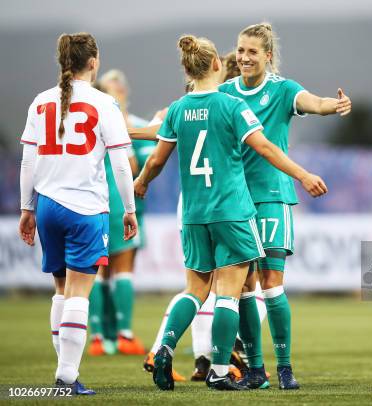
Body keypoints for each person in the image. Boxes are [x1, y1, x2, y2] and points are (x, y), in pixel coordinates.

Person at [133, 34, 327, 391]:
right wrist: (302, 174)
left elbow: (158, 159)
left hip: (193, 214)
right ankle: (220, 371)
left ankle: (164, 347)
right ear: (219, 65)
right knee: (230, 293)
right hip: (232, 212)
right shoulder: (231, 106)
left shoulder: (177, 109)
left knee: (194, 290)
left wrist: (141, 183)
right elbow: (266, 147)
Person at [220, 22, 351, 390]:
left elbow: (314, 103)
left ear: (268, 56)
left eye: (252, 52)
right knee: (244, 285)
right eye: (241, 50)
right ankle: (255, 370)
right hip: (234, 202)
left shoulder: (282, 90)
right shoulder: (225, 93)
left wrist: (333, 104)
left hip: (273, 197)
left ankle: (285, 368)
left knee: (271, 283)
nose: (244, 57)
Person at [18, 32, 137, 395]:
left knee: (61, 291)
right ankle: (67, 377)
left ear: (62, 62)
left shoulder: (40, 101)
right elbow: (120, 165)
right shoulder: (105, 103)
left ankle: (63, 371)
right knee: (79, 294)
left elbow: (28, 161)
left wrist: (27, 208)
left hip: (48, 206)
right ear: (94, 62)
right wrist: (129, 209)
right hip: (86, 209)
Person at [88, 69, 150, 356]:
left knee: (97, 270)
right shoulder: (131, 124)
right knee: (122, 270)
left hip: (90, 201)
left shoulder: (88, 122)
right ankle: (124, 335)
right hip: (121, 203)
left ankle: (101, 337)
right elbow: (141, 167)